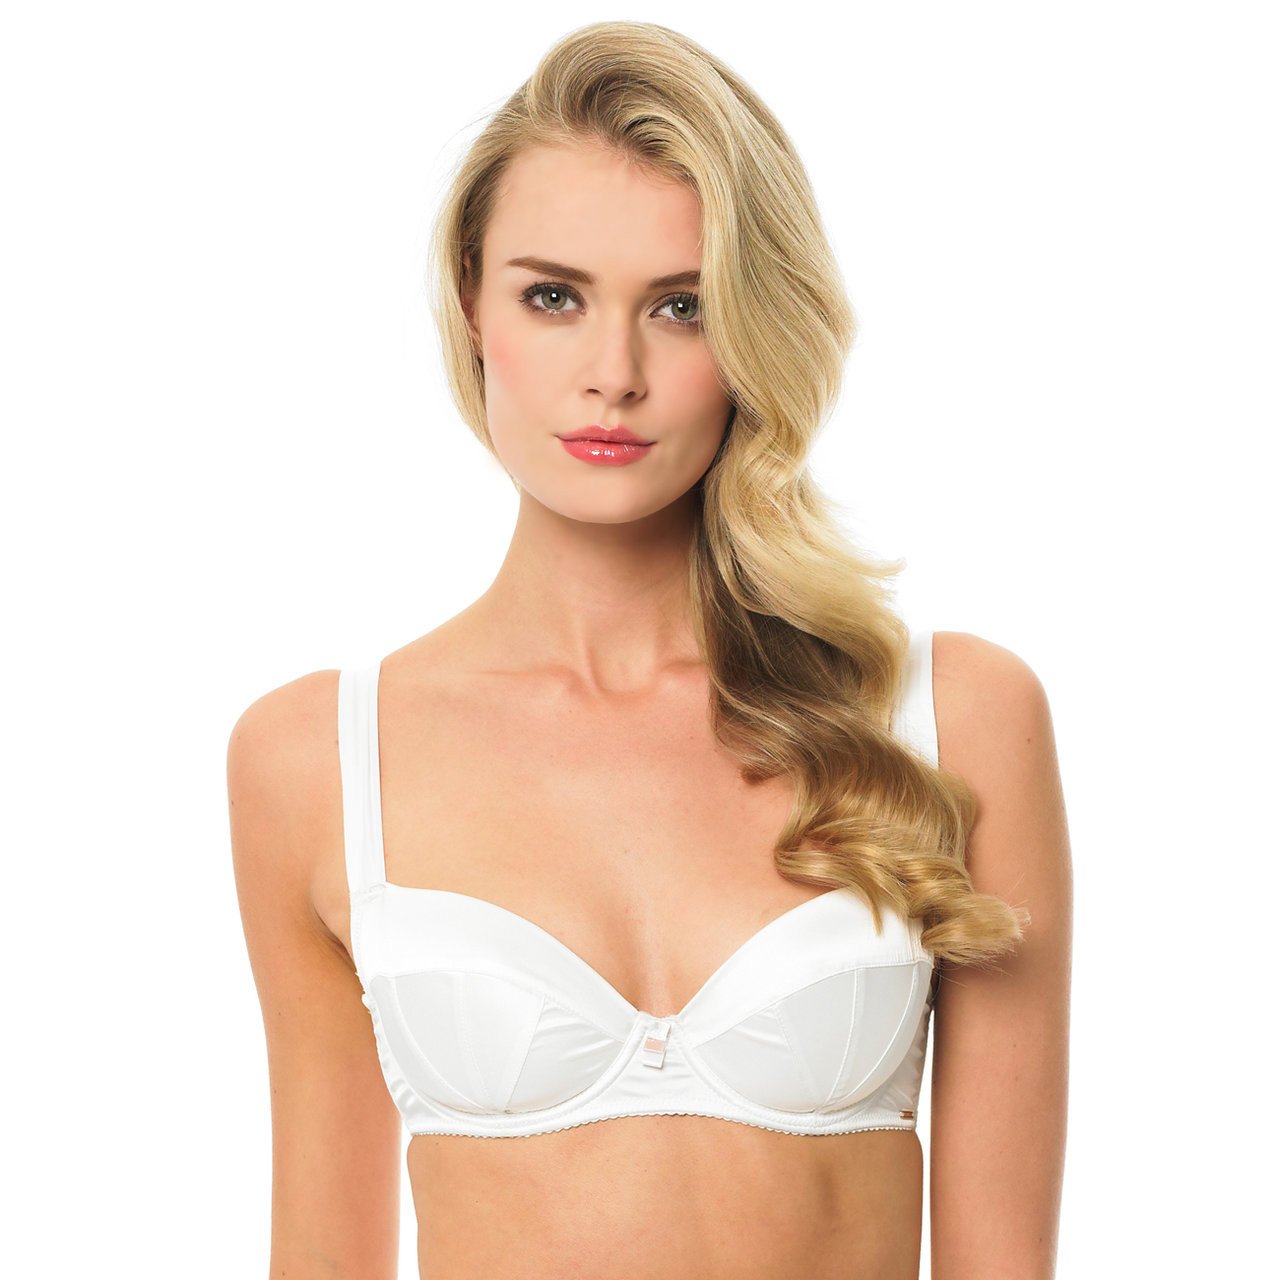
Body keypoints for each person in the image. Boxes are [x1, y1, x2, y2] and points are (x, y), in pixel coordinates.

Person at [227, 20, 1071, 1279]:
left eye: (681, 306)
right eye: (552, 297)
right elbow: (319, 1257)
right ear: (470, 305)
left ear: (753, 329)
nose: (612, 374)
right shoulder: (316, 758)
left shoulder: (949, 719)